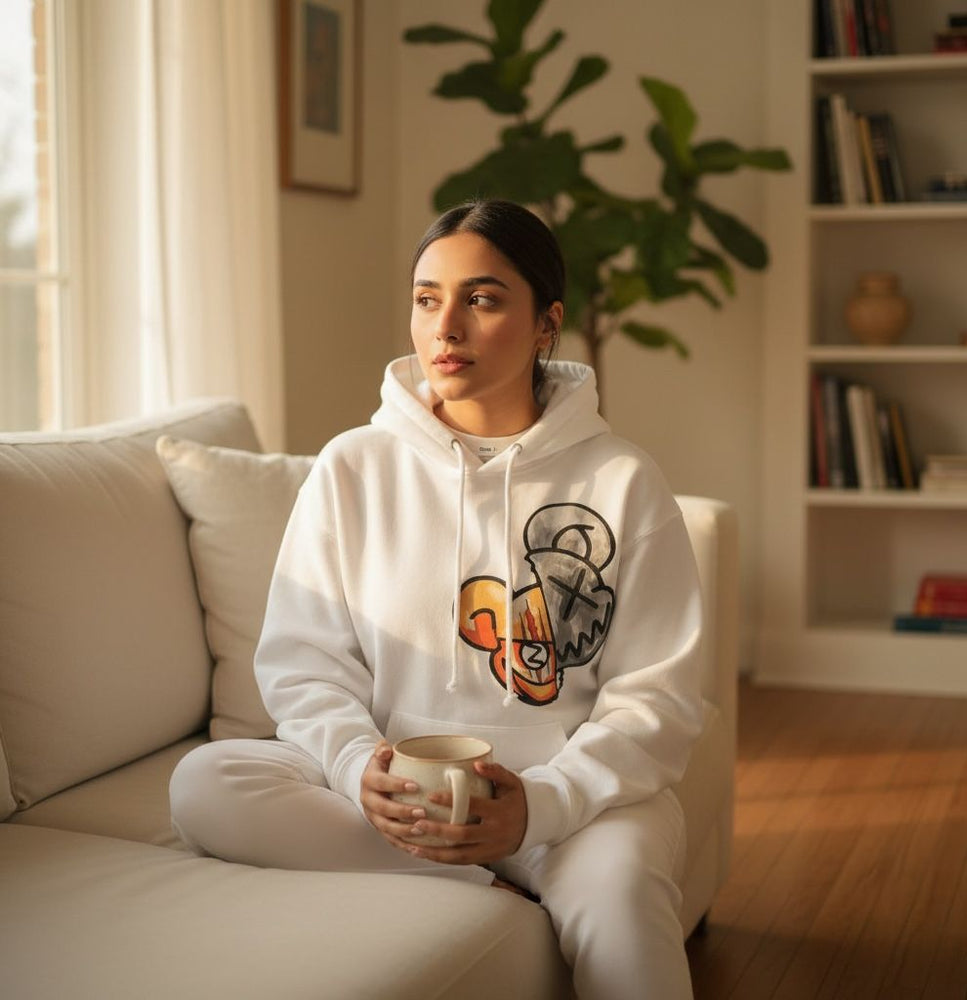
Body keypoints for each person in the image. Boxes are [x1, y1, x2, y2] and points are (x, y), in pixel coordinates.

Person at [169, 199, 704, 999]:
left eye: (481, 299)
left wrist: (545, 805)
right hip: (404, 809)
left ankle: (528, 868)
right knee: (206, 785)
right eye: (427, 299)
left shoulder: (621, 480)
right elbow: (302, 664)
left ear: (545, 323)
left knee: (625, 902)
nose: (444, 327)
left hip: (570, 806)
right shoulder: (353, 467)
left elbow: (657, 698)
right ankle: (491, 883)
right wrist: (358, 772)